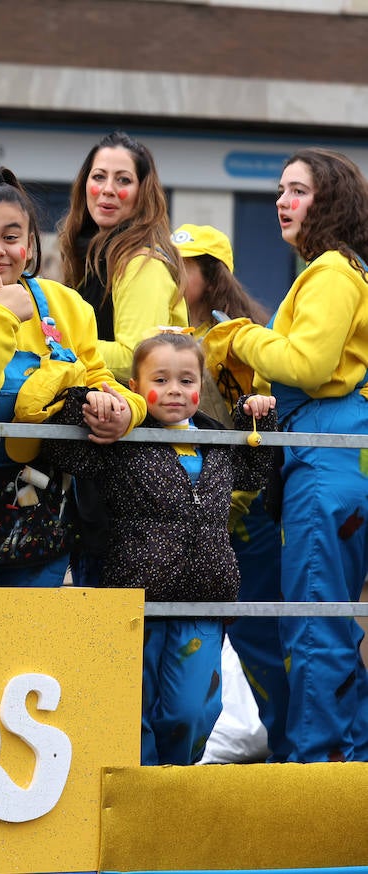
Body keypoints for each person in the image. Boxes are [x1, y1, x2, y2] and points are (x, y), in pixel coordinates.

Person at [45, 331, 277, 764]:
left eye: (187, 381)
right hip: (138, 600)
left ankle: (175, 782)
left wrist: (258, 420)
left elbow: (255, 474)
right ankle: (142, 792)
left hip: (203, 600)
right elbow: (63, 448)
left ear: (200, 384)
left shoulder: (217, 438)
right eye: (162, 379)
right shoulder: (119, 437)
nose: (175, 390)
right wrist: (91, 402)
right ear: (134, 388)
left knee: (195, 711)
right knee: (135, 710)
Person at [205, 148, 368, 762]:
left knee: (313, 623)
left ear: (330, 202)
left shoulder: (329, 270)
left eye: (297, 191)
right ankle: (347, 762)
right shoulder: (348, 270)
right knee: (322, 622)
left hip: (327, 460)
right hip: (337, 454)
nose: (281, 200)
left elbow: (308, 364)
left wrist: (238, 335)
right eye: (280, 189)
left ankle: (315, 771)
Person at [0, 166, 145, 587]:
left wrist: (122, 412)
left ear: (30, 243)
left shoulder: (67, 305)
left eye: (12, 237)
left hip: (45, 521)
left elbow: (99, 377)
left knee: (31, 651)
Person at [173, 223, 288, 759]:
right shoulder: (162, 334)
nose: (172, 274)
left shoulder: (243, 336)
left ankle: (291, 749)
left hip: (244, 518)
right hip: (183, 516)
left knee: (260, 639)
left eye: (184, 265)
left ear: (211, 274)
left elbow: (265, 421)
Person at [57, 131, 185, 385]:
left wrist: (56, 344)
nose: (107, 190)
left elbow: (135, 359)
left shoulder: (142, 263)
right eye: (99, 177)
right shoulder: (89, 257)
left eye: (123, 180)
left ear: (142, 193)